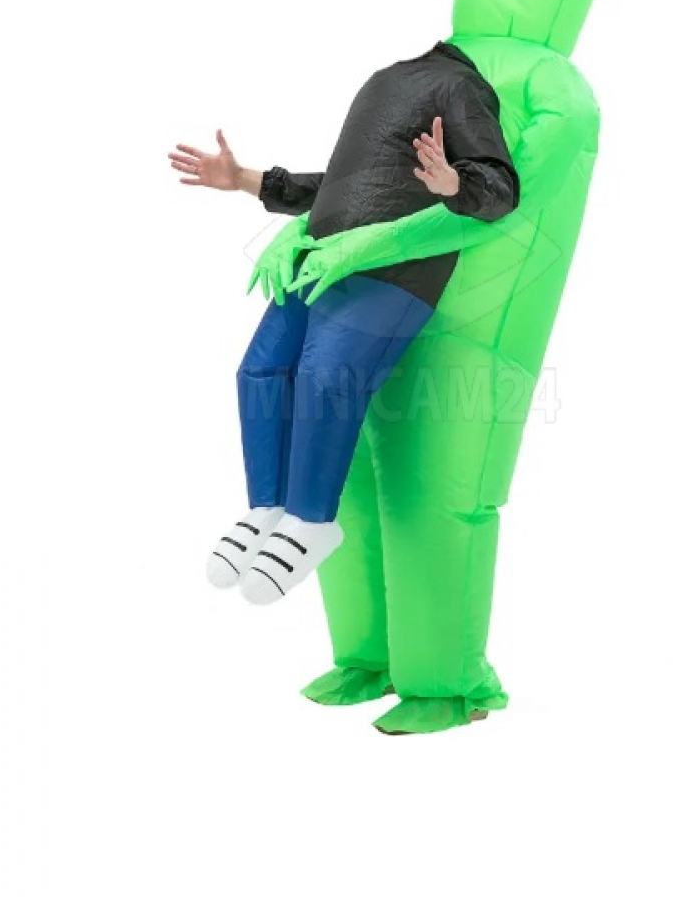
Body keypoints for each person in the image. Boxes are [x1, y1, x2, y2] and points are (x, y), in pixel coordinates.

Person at [169, 40, 519, 603]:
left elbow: (501, 187)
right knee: (260, 371)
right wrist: (246, 179)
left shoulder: (458, 87)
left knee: (326, 376)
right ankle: (268, 506)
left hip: (392, 268)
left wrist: (454, 183)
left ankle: (311, 520)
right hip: (323, 257)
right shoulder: (385, 82)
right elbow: (338, 184)